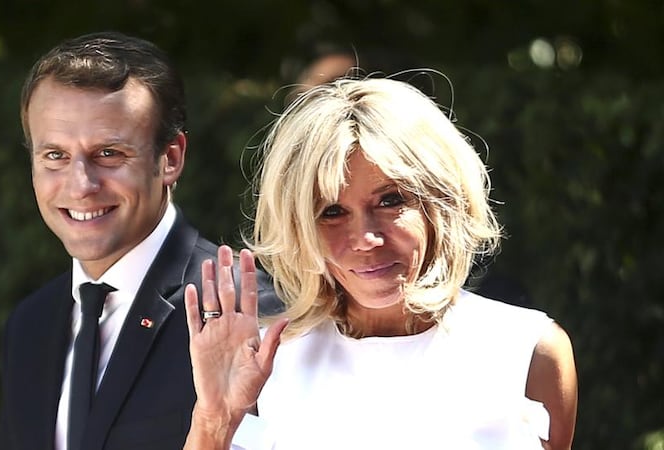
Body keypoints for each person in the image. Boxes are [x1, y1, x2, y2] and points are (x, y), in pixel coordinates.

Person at [183, 77, 578, 449]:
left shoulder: (526, 349)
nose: (366, 239)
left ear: (442, 202)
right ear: (300, 228)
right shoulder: (268, 363)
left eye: (391, 201)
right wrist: (214, 420)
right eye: (332, 211)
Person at [0, 31, 280, 450]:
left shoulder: (247, 308)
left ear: (171, 159)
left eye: (109, 153)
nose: (81, 185)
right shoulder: (30, 323)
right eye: (55, 155)